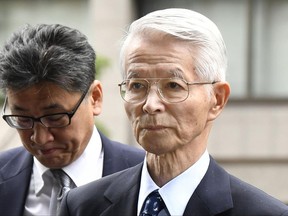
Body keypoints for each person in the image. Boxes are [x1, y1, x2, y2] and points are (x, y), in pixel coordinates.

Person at [59, 8, 288, 216]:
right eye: (137, 85)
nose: (150, 104)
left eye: (173, 86)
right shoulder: (82, 206)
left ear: (217, 100)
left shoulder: (264, 213)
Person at [0, 24, 145, 216]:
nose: (40, 138)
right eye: (23, 119)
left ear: (94, 97)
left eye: (55, 118)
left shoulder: (147, 177)